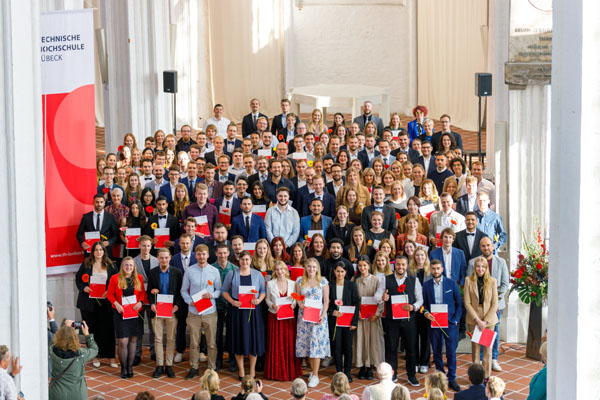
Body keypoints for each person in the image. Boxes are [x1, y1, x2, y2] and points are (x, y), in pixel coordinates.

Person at [466, 237, 510, 372]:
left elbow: (505, 283)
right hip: (475, 315)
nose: (486, 248)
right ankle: (475, 371)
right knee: (476, 346)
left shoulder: (500, 263)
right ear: (480, 247)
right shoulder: (472, 265)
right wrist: (478, 320)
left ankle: (493, 361)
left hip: (492, 310)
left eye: (488, 245)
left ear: (492, 246)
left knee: (491, 341)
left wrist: (494, 296)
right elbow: (467, 299)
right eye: (483, 246)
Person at [222, 251, 266, 379]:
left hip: (253, 312)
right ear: (238, 260)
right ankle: (241, 371)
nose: (244, 262)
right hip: (237, 312)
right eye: (242, 260)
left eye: (247, 259)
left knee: (253, 341)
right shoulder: (232, 274)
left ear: (251, 260)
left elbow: (263, 291)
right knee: (238, 341)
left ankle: (252, 371)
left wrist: (259, 300)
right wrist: (232, 301)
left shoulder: (257, 274)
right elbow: (224, 291)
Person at [180, 245, 222, 379]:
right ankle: (194, 367)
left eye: (204, 254)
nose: (201, 256)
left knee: (211, 342)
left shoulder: (214, 271)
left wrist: (212, 295)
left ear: (208, 255)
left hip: (210, 311)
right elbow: (183, 290)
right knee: (193, 342)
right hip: (194, 311)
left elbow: (219, 290)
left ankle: (211, 368)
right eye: (199, 254)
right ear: (195, 255)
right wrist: (189, 301)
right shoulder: (189, 271)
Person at [75, 242, 118, 368]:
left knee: (108, 329)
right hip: (89, 303)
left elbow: (116, 282)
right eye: (96, 250)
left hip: (106, 302)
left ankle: (111, 357)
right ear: (92, 251)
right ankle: (94, 356)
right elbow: (78, 278)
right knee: (92, 330)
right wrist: (84, 288)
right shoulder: (86, 264)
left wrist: (108, 292)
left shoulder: (111, 265)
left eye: (101, 250)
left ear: (104, 251)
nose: (99, 252)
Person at [422, 260, 462, 392]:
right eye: (433, 269)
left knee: (451, 352)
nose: (436, 271)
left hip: (449, 323)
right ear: (431, 270)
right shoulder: (426, 285)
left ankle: (451, 378)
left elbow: (459, 304)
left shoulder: (451, 283)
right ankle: (441, 378)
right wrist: (426, 313)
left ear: (442, 269)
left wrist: (455, 320)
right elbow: (424, 305)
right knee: (437, 351)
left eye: (438, 268)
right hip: (434, 323)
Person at [381, 255, 422, 386]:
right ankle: (392, 374)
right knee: (391, 348)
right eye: (398, 264)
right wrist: (383, 297)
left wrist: (413, 307)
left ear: (407, 266)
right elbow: (377, 296)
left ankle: (411, 375)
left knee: (411, 348)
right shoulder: (386, 279)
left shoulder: (414, 280)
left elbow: (420, 299)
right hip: (391, 321)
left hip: (409, 320)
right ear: (394, 265)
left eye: (403, 265)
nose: (400, 267)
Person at [106, 257, 147, 379]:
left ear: (134, 266)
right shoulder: (115, 278)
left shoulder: (138, 278)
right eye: (126, 265)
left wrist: (140, 301)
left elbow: (143, 293)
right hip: (120, 312)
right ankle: (123, 367)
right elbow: (109, 294)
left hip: (134, 312)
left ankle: (130, 367)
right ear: (122, 266)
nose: (128, 267)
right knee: (123, 341)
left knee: (133, 340)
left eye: (130, 265)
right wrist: (116, 304)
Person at [147, 248, 184, 378]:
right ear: (157, 258)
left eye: (166, 257)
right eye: (161, 258)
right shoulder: (152, 273)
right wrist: (152, 304)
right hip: (157, 310)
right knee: (157, 339)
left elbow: (181, 292)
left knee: (170, 338)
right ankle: (158, 365)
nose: (164, 260)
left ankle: (168, 365)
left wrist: (177, 306)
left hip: (171, 310)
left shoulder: (177, 272)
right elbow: (149, 292)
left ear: (170, 257)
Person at [264, 261, 303, 381]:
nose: (280, 272)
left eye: (282, 269)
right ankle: (275, 372)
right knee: (276, 343)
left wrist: (293, 304)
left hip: (288, 318)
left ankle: (290, 371)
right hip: (275, 317)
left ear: (286, 270)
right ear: (274, 271)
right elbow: (267, 299)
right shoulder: (270, 284)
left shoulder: (293, 283)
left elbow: (295, 298)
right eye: (277, 269)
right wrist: (272, 306)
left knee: (288, 343)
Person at [295, 257, 331, 388]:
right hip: (304, 318)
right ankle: (312, 371)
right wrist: (300, 304)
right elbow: (298, 297)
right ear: (305, 267)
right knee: (308, 346)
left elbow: (326, 301)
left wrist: (322, 315)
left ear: (317, 269)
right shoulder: (299, 281)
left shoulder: (323, 281)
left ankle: (315, 375)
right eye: (309, 266)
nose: (311, 269)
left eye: (314, 267)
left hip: (318, 319)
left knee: (316, 346)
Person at [464, 256, 499, 379]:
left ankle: (486, 377)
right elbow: (467, 303)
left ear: (486, 268)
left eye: (483, 266)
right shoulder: (468, 280)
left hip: (489, 320)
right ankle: (475, 378)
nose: (480, 269)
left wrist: (485, 321)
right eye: (478, 266)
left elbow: (495, 303)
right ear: (474, 267)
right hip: (474, 320)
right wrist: (477, 320)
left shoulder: (493, 281)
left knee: (488, 351)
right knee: (476, 350)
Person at [354, 257, 385, 380]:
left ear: (369, 265)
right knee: (361, 340)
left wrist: (377, 313)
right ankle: (362, 366)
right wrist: (357, 312)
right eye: (360, 265)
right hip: (361, 317)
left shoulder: (377, 280)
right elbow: (353, 298)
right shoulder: (355, 281)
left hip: (373, 317)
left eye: (365, 265)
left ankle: (371, 366)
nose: (362, 268)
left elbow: (381, 298)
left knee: (373, 341)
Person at [48, 322, 97, 399]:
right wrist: (87, 335)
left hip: (57, 392)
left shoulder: (52, 350)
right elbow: (94, 350)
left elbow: (53, 339)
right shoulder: (80, 353)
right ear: (75, 338)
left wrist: (65, 329)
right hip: (77, 393)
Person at [328, 263, 359, 381]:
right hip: (335, 321)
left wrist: (354, 322)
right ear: (334, 271)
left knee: (348, 347)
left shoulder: (351, 285)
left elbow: (356, 303)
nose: (340, 274)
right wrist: (332, 312)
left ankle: (347, 372)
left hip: (348, 321)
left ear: (345, 272)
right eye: (338, 271)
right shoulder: (330, 286)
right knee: (337, 347)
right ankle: (339, 372)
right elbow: (327, 304)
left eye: (342, 271)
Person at [211, 244, 238, 372]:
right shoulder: (210, 269)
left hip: (231, 306)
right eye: (220, 253)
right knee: (217, 336)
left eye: (224, 253)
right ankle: (218, 360)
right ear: (216, 253)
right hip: (216, 306)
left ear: (228, 254)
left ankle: (233, 360)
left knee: (232, 335)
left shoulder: (234, 269)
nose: (222, 256)